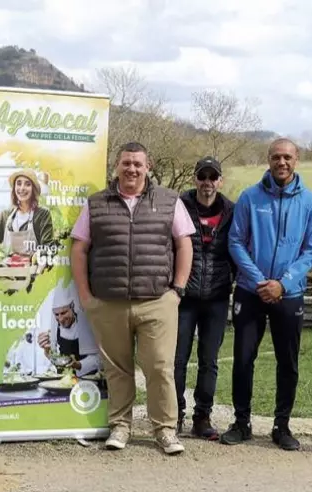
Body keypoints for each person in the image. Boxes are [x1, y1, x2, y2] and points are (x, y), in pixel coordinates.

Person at [70, 141, 195, 455]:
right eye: (126, 163)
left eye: (138, 164)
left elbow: (184, 244)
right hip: (109, 302)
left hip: (157, 301)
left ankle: (165, 431)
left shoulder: (169, 201)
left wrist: (177, 291)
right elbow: (79, 249)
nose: (132, 169)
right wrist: (86, 296)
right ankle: (120, 427)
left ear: (148, 166)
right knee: (117, 369)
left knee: (160, 367)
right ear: (117, 165)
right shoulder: (96, 203)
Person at [221, 138, 312, 451]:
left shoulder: (310, 202)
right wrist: (260, 280)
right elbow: (236, 242)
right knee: (243, 359)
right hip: (251, 293)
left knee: (287, 361)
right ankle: (242, 422)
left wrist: (284, 283)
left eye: (288, 157)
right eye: (277, 157)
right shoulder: (250, 198)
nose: (282, 162)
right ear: (268, 159)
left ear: (296, 160)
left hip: (289, 294)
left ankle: (282, 425)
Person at [174, 157, 235, 440]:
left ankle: (202, 417)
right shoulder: (179, 207)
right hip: (184, 296)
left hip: (217, 297)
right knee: (177, 359)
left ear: (220, 181)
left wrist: (232, 280)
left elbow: (239, 247)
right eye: (202, 176)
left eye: (213, 177)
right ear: (195, 179)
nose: (207, 182)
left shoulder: (232, 212)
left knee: (209, 360)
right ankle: (174, 415)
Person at [0, 169, 53, 261]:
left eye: (27, 184)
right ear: (14, 188)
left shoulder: (42, 214)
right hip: (8, 270)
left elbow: (48, 246)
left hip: (33, 271)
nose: (22, 188)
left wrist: (38, 255)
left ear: (33, 188)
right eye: (19, 183)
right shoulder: (5, 215)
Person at [37, 284, 101, 377]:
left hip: (88, 382)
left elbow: (101, 359)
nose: (60, 319)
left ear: (72, 307)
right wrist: (48, 351)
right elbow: (57, 359)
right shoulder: (55, 328)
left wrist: (78, 365)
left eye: (63, 313)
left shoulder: (86, 322)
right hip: (63, 381)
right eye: (57, 314)